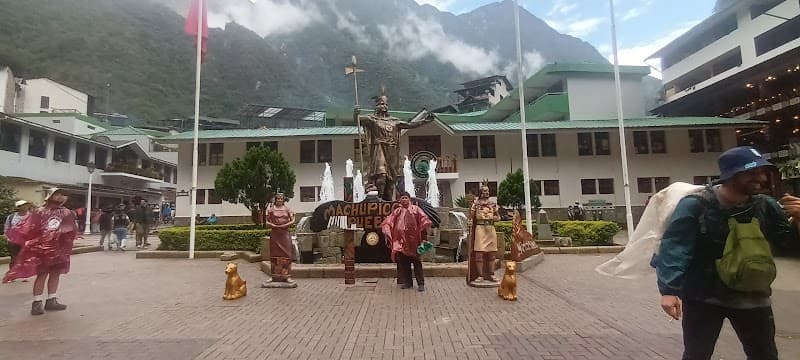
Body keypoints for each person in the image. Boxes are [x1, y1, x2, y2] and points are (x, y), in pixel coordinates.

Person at [655, 146, 800, 360]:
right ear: (732, 175)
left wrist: (798, 220)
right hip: (703, 297)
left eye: (761, 172)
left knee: (765, 354)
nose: (761, 178)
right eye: (752, 173)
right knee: (697, 354)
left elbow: (789, 246)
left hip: (753, 295)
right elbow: (676, 246)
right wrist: (669, 290)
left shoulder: (766, 206)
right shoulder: (697, 205)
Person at [3, 188, 77, 315]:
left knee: (55, 274)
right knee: (42, 274)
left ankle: (51, 300)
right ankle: (37, 303)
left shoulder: (67, 212)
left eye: (63, 195)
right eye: (57, 194)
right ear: (49, 196)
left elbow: (70, 230)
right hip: (42, 250)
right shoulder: (39, 211)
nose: (61, 197)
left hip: (59, 250)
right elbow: (30, 229)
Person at [354, 92, 435, 200]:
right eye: (381, 104)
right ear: (376, 106)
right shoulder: (372, 119)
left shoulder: (394, 121)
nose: (384, 106)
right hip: (379, 148)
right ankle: (378, 199)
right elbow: (358, 120)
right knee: (381, 174)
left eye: (386, 104)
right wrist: (356, 113)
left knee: (391, 179)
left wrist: (425, 121)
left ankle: (388, 201)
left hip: (392, 150)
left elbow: (410, 125)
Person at [381, 191, 432, 291]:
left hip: (414, 242)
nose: (404, 200)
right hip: (400, 242)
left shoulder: (416, 209)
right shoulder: (397, 211)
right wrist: (386, 228)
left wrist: (424, 238)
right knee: (405, 264)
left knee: (417, 263)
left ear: (409, 199)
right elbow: (388, 221)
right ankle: (408, 282)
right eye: (402, 198)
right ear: (399, 200)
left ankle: (421, 283)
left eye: (406, 198)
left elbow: (424, 221)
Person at [467, 184, 501, 286]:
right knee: (479, 253)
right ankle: (480, 275)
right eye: (485, 191)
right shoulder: (476, 204)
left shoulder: (493, 204)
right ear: (481, 193)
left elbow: (498, 218)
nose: (487, 193)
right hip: (480, 229)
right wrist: (469, 222)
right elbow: (470, 217)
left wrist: (493, 218)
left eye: (488, 191)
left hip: (490, 229)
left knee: (492, 253)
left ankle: (491, 274)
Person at [263, 193, 295, 284]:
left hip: (285, 234)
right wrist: (272, 225)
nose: (280, 200)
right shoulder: (271, 210)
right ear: (275, 200)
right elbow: (266, 221)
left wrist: (286, 225)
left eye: (281, 199)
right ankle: (274, 276)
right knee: (274, 254)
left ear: (283, 200)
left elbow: (293, 220)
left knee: (286, 254)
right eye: (278, 199)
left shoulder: (288, 209)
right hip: (275, 234)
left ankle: (286, 276)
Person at [4, 200, 33, 271]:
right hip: (13, 242)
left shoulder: (32, 216)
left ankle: (22, 273)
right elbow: (7, 228)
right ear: (18, 207)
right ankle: (12, 272)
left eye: (26, 205)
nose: (25, 207)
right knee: (14, 258)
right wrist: (8, 239)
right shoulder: (11, 217)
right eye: (23, 205)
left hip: (26, 241)